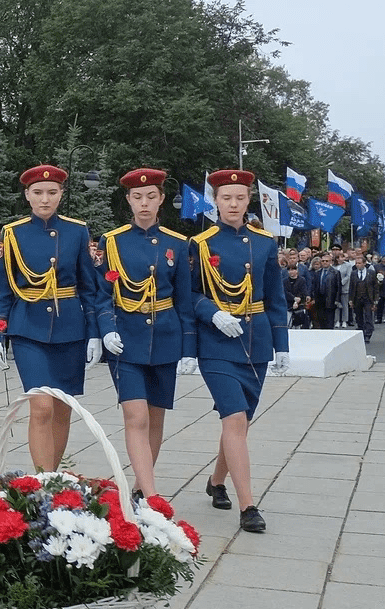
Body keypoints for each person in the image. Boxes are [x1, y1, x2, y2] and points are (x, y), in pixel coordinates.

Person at [192, 169, 288, 533]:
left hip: (256, 339)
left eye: (240, 198)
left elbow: (275, 296)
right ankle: (248, 506)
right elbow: (190, 293)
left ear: (249, 201)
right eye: (226, 198)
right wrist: (212, 312)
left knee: (241, 421)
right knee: (233, 419)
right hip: (216, 343)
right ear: (215, 201)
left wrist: (282, 344)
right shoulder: (200, 243)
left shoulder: (264, 243)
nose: (233, 204)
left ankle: (216, 481)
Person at [0, 165, 101, 472]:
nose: (45, 199)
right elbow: (1, 290)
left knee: (63, 409)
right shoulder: (13, 234)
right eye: (38, 193)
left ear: (61, 194)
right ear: (27, 195)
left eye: (52, 192)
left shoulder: (77, 231)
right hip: (28, 328)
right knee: (41, 407)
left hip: (70, 328)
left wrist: (94, 333)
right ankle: (43, 479)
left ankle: (53, 478)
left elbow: (87, 285)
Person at [96, 169, 195, 501]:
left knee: (155, 417)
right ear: (128, 200)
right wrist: (107, 329)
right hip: (127, 337)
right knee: (134, 414)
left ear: (161, 199)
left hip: (165, 337)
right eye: (137, 197)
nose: (144, 203)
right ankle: (152, 495)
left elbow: (184, 299)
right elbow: (102, 295)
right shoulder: (113, 241)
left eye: (151, 196)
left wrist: (189, 347)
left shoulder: (177, 244)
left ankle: (141, 486)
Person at [348, 253, 378, 343]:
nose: (357, 265)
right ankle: (361, 331)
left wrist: (375, 300)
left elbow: (375, 287)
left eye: (359, 263)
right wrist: (350, 300)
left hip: (368, 298)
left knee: (368, 316)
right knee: (358, 316)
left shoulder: (371, 273)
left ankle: (368, 334)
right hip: (357, 298)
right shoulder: (353, 274)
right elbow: (351, 287)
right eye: (356, 263)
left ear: (364, 263)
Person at [284, 264, 311, 330]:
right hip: (288, 305)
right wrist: (294, 298)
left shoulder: (302, 280)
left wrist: (297, 300)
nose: (291, 272)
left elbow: (303, 291)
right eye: (289, 270)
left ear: (296, 271)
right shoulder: (284, 281)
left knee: (298, 326)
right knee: (288, 325)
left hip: (299, 306)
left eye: (293, 270)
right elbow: (285, 292)